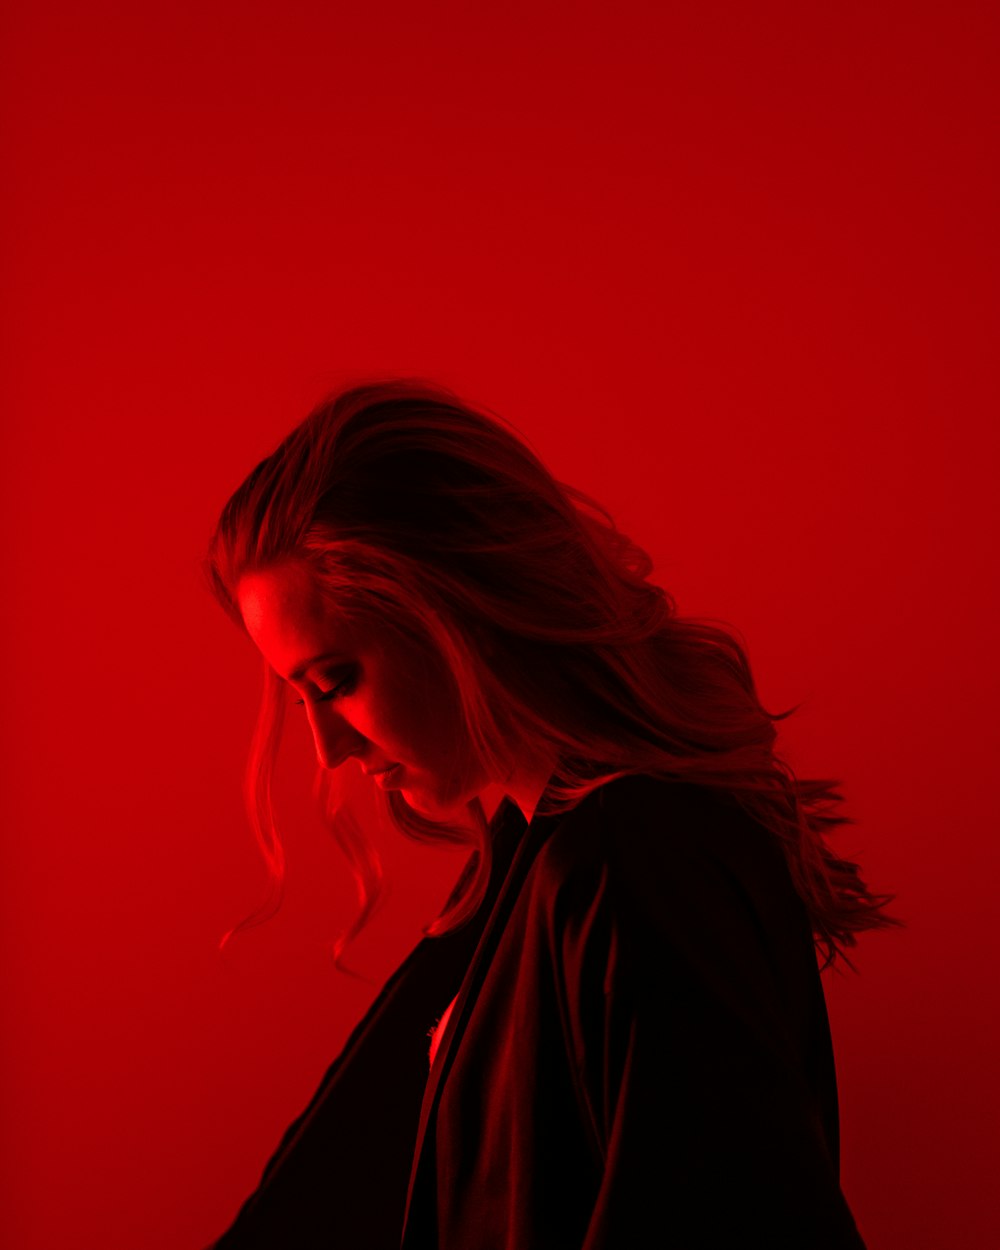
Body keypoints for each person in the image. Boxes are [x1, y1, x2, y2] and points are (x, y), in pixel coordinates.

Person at [201, 378, 900, 1249]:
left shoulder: (634, 866)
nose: (327, 752)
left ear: (460, 614)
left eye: (336, 682)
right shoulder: (540, 863)